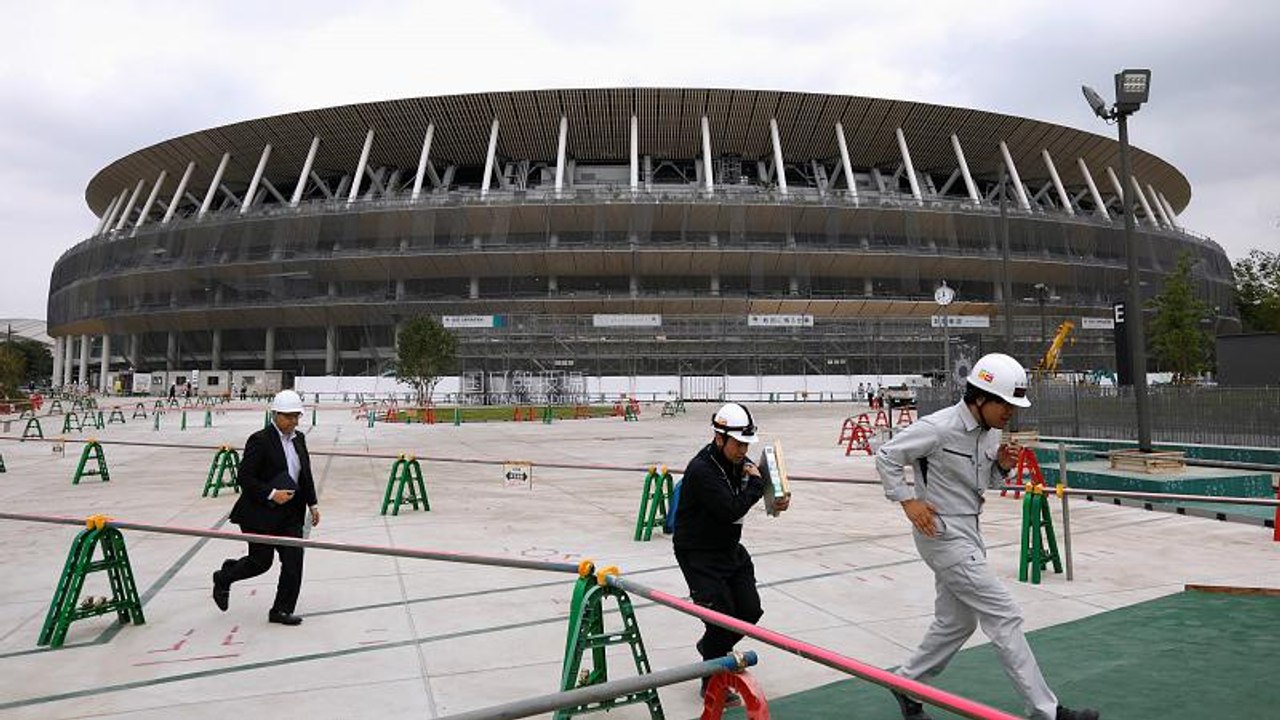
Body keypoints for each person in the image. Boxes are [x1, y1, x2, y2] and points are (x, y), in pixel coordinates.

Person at [876, 353, 1098, 720]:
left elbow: (985, 483)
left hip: (969, 529)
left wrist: (1003, 467)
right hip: (941, 532)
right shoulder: (938, 427)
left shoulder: (991, 431)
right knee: (1004, 613)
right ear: (980, 397)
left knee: (957, 623)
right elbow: (886, 454)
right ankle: (1048, 712)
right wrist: (907, 501)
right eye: (1005, 404)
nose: (1010, 412)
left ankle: (906, 682)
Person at [673, 402, 789, 701]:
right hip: (698, 555)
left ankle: (712, 649)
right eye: (738, 444)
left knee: (750, 612)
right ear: (719, 438)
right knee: (721, 617)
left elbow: (756, 490)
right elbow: (730, 509)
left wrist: (776, 499)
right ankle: (711, 679)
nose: (743, 451)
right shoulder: (701, 470)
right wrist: (756, 484)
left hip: (729, 550)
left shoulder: (738, 461)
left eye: (746, 444)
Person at [212, 389, 320, 625]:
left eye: (296, 416)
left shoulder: (300, 439)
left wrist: (312, 504)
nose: (293, 421)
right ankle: (224, 577)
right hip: (260, 513)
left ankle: (281, 610)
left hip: (291, 514)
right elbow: (245, 478)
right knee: (260, 563)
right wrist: (272, 493)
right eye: (288, 416)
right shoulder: (260, 440)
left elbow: (305, 475)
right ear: (275, 415)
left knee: (294, 561)